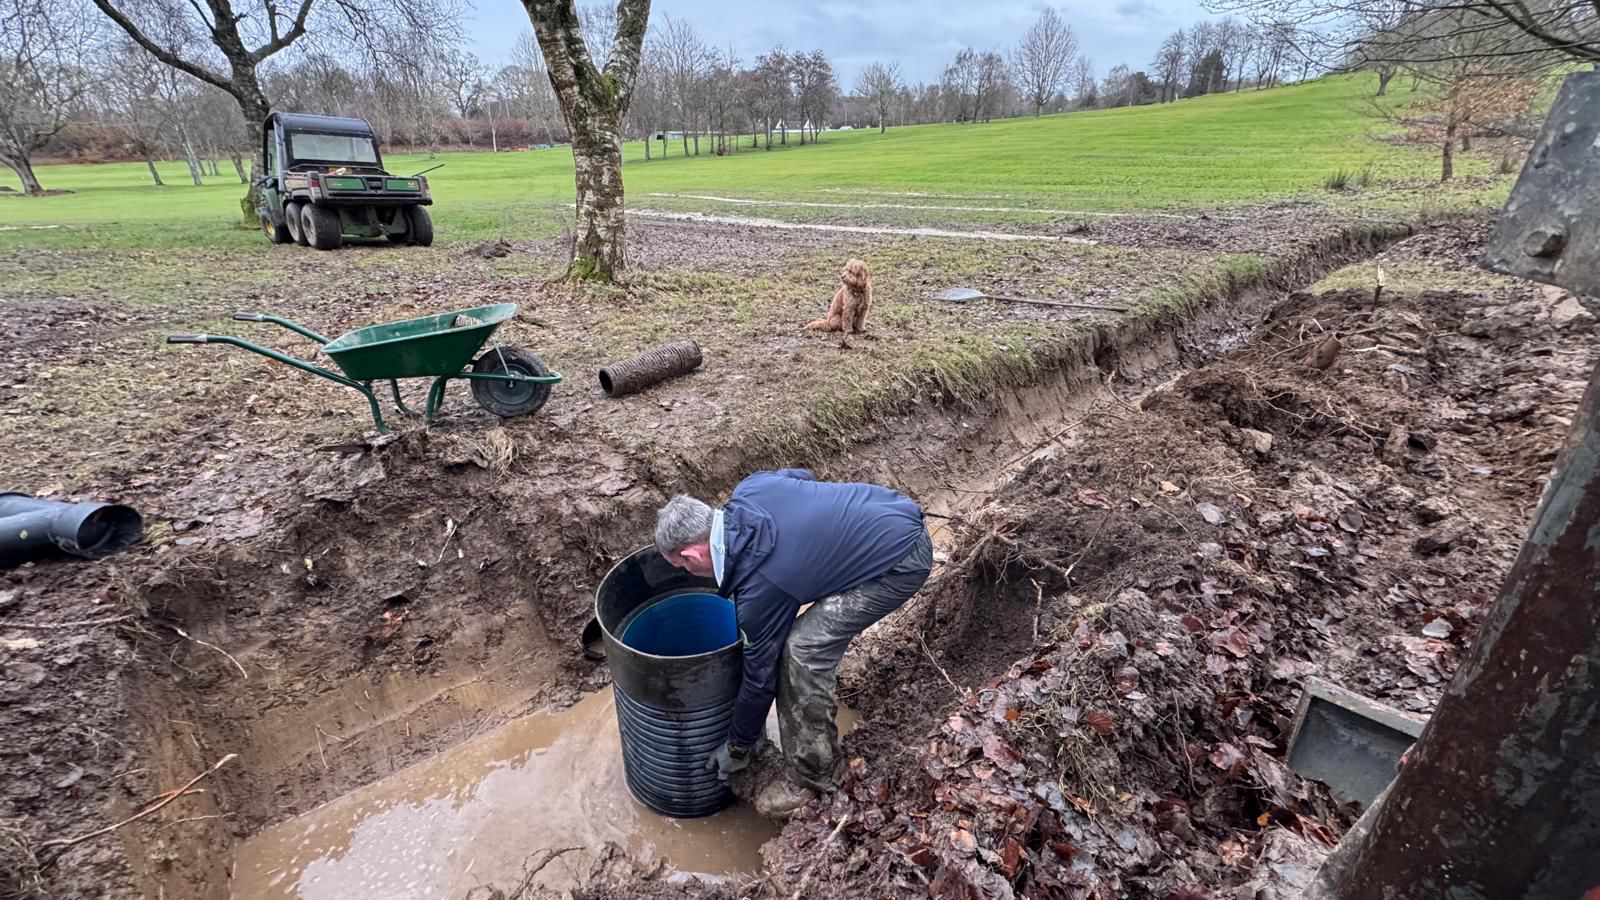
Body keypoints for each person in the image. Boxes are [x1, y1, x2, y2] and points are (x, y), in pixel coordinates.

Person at [654, 469, 934, 814]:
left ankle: (816, 775)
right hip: (890, 508)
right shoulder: (751, 488)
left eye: (680, 566)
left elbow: (760, 680)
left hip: (900, 561)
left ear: (693, 555)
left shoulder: (763, 590)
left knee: (802, 651)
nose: (685, 573)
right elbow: (802, 475)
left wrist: (738, 746)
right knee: (799, 636)